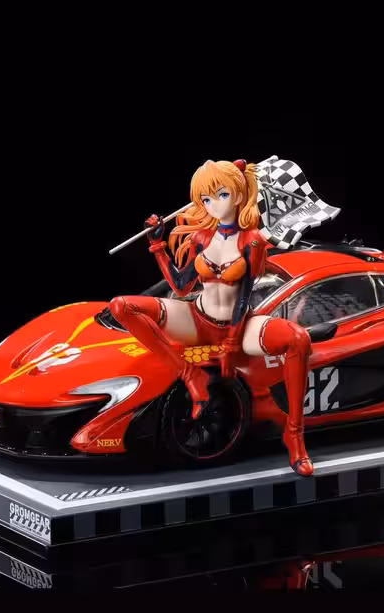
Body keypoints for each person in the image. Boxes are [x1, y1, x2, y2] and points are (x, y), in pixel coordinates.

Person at [109, 159, 315, 476]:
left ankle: (295, 437)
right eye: (205, 199)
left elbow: (244, 294)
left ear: (238, 194)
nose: (213, 205)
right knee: (121, 306)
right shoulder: (202, 238)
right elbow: (181, 286)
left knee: (298, 340)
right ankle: (191, 375)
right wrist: (158, 245)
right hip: (197, 317)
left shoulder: (252, 241)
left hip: (238, 326)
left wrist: (232, 343)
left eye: (221, 195)